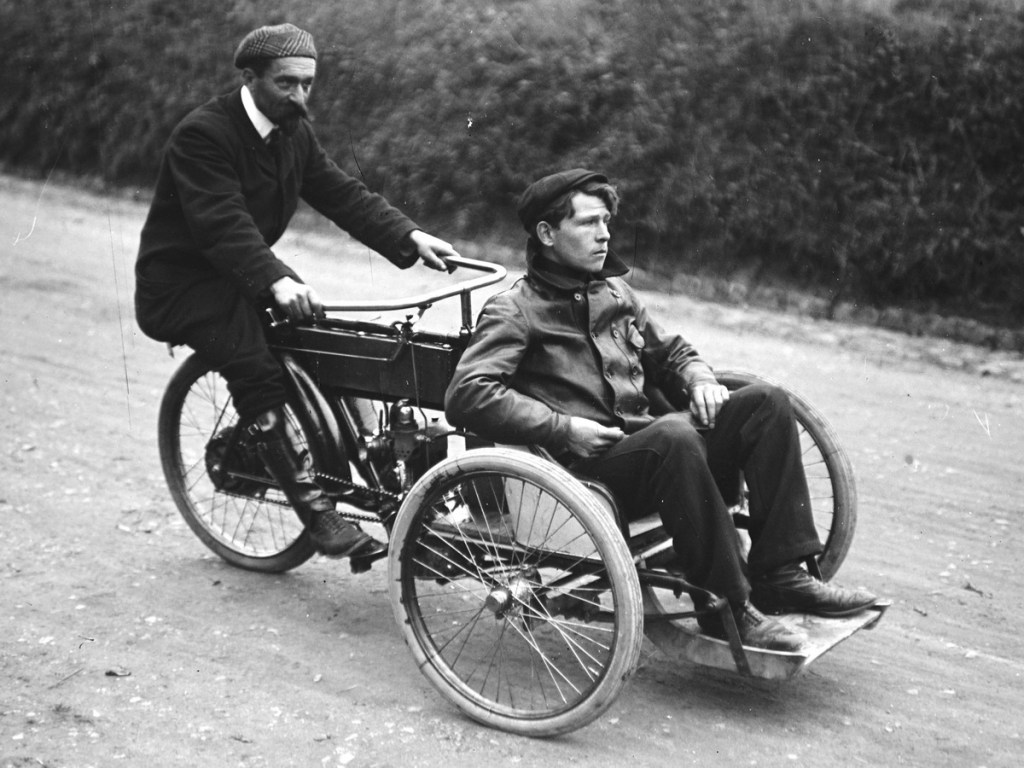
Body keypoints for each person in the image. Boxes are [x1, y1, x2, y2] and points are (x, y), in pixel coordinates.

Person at [444, 169, 878, 651]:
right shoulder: (515, 310)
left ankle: (781, 575)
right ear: (547, 234)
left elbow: (672, 352)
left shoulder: (614, 293)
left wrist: (701, 379)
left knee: (765, 402)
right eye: (588, 223)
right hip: (587, 472)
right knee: (673, 436)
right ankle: (726, 609)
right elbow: (468, 392)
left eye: (606, 221)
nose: (605, 235)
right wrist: (563, 428)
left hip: (657, 451)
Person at [135, 23, 460, 561]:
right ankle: (319, 517)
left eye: (307, 83)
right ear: (250, 77)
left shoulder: (292, 133)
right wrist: (277, 279)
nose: (300, 96)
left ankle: (397, 505)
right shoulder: (204, 135)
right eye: (286, 83)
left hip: (241, 275)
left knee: (339, 346)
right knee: (254, 369)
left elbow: (342, 193)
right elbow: (223, 224)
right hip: (184, 285)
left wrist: (409, 236)